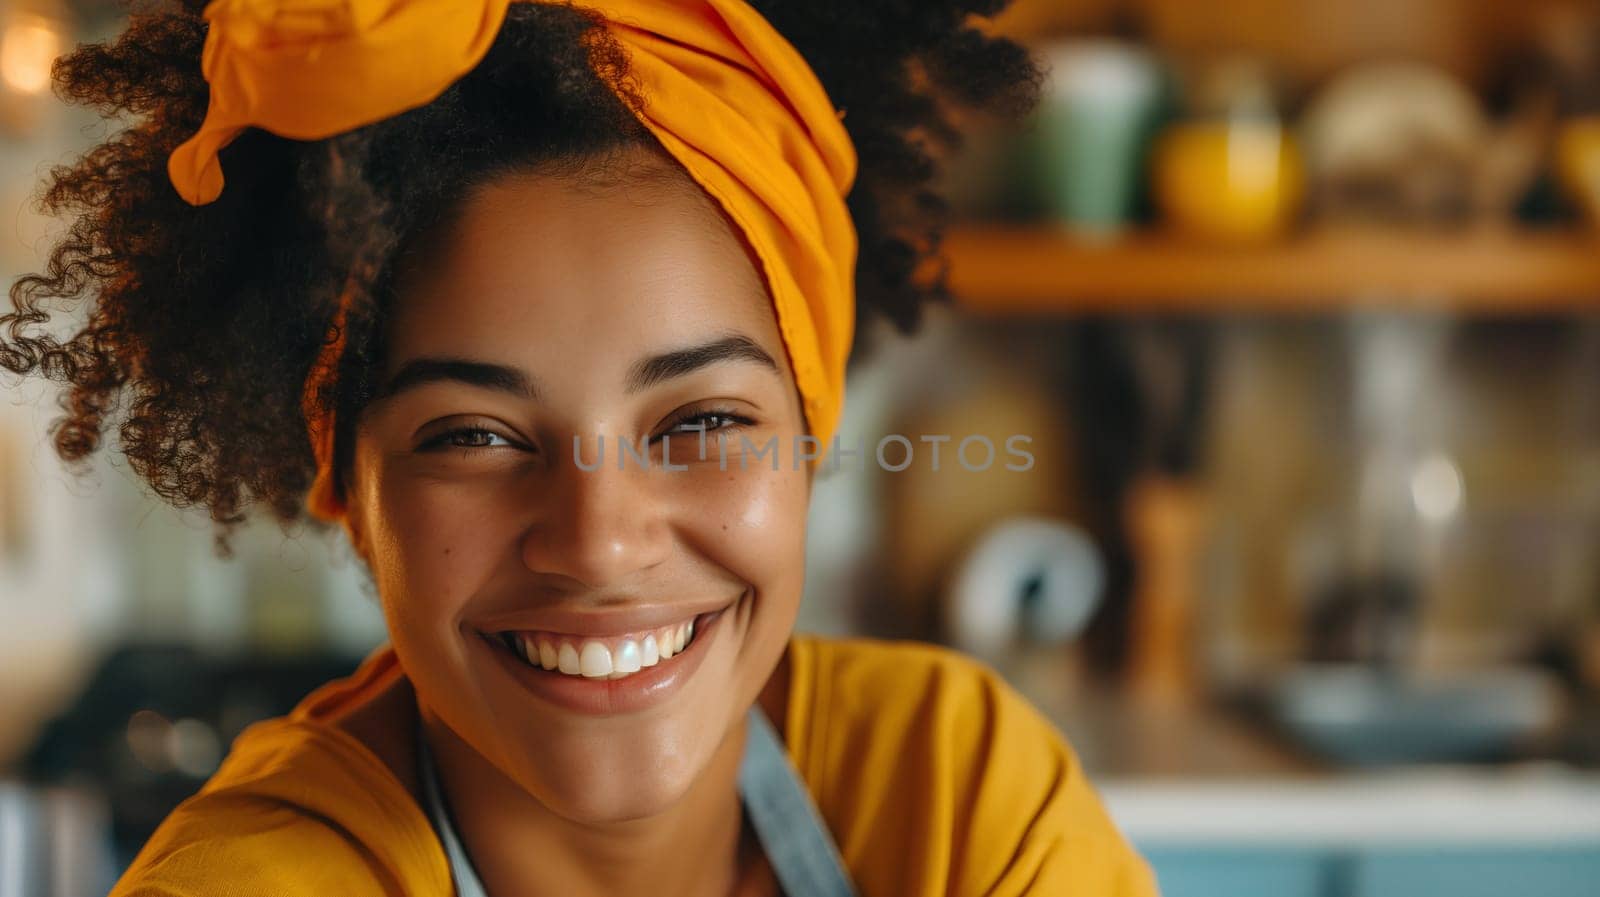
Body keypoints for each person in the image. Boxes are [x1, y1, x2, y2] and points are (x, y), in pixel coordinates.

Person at [1, 0, 1160, 894]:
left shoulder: (952, 790)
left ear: (807, 445)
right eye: (472, 435)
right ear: (350, 490)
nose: (598, 544)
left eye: (702, 422)